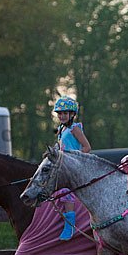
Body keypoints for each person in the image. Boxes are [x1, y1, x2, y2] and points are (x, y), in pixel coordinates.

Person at [53, 95, 91, 241]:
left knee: (65, 190)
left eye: (65, 113)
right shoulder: (60, 129)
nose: (62, 116)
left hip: (74, 165)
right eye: (60, 113)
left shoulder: (75, 129)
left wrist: (74, 157)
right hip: (62, 164)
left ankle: (70, 224)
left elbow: (87, 147)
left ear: (72, 114)